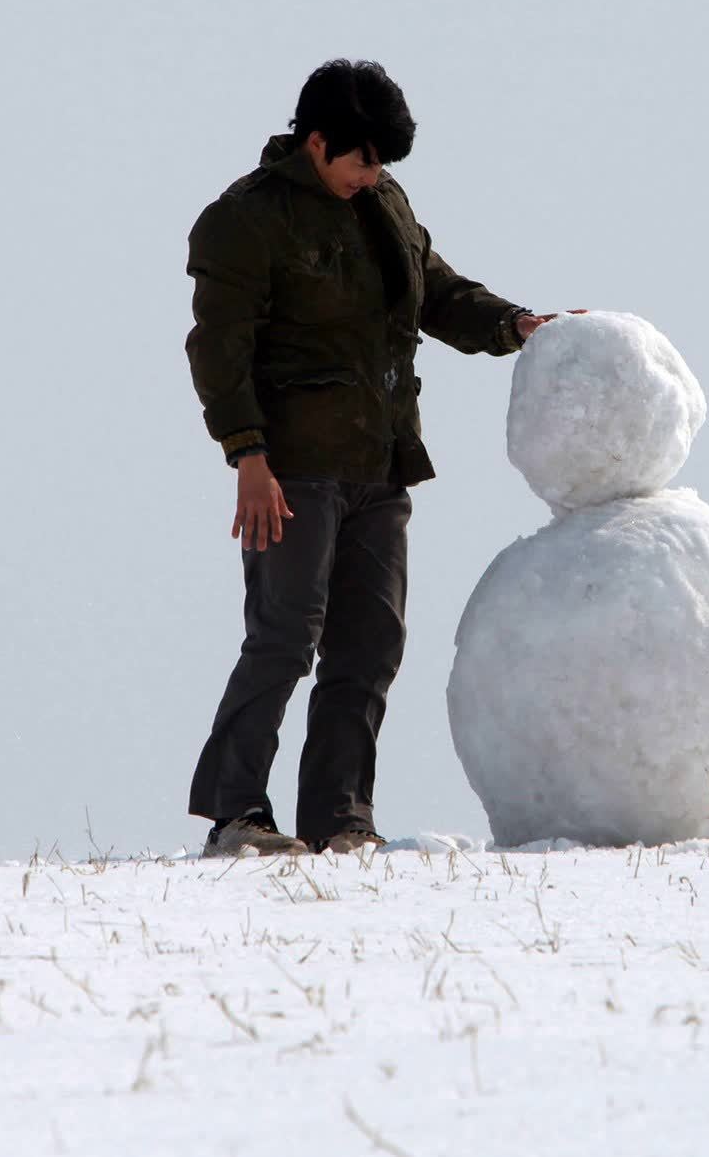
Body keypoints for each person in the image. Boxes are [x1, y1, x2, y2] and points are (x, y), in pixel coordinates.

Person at [183, 59, 559, 857]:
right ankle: (235, 816)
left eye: (384, 162)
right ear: (317, 143)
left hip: (382, 467)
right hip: (290, 471)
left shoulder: (384, 202)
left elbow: (437, 291)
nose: (375, 174)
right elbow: (218, 349)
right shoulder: (244, 220)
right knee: (285, 636)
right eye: (363, 158)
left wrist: (515, 325)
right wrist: (248, 456)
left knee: (369, 644)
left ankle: (340, 820)